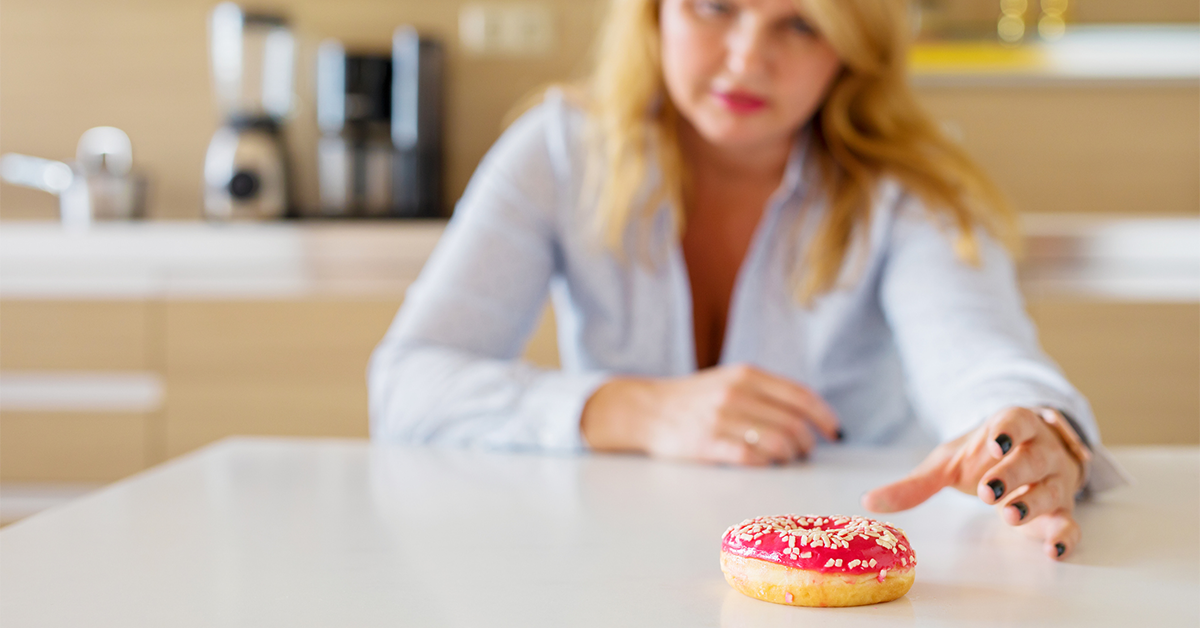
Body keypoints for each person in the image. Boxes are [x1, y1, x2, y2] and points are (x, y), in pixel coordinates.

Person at [368, 0, 1127, 560]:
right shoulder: (558, 150)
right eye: (714, 7)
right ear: (653, 15)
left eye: (799, 24)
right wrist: (631, 409)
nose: (744, 58)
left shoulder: (907, 190)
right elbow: (407, 383)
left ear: (849, 47)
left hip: (859, 569)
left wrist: (1034, 434)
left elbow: (979, 357)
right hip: (618, 559)